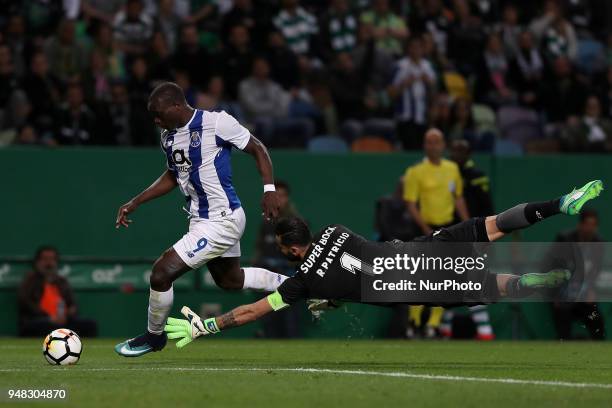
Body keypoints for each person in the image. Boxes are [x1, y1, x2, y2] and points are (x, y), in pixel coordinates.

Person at [164, 180, 604, 346]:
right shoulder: (335, 230)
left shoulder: (302, 283)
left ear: (290, 249)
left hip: (417, 289)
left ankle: (539, 281)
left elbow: (253, 310)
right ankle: (560, 202)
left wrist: (209, 326)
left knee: (500, 286)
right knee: (490, 225)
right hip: (420, 251)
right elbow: (344, 269)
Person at [114, 82, 290, 357]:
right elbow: (174, 175)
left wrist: (269, 190)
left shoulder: (216, 122)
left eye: (159, 114)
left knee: (161, 273)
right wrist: (136, 201)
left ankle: (154, 336)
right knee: (230, 280)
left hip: (221, 220)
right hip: (201, 220)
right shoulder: (168, 137)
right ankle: (295, 285)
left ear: (176, 105)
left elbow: (257, 148)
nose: (156, 121)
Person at [403, 128, 470, 337]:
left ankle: (433, 324)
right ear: (424, 146)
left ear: (443, 145)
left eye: (437, 142)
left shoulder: (452, 169)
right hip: (425, 228)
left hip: (447, 227)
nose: (433, 146)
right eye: (429, 142)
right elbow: (411, 203)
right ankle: (414, 321)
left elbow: (458, 198)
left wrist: (468, 224)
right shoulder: (415, 172)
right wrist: (425, 228)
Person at [549, 209, 606, 340]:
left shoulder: (599, 244)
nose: (590, 228)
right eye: (587, 224)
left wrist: (591, 289)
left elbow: (596, 271)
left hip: (585, 297)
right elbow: (554, 267)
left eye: (593, 225)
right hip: (564, 295)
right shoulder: (564, 240)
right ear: (580, 225)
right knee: (563, 323)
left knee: (597, 322)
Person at [18, 246, 98, 337]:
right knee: (40, 325)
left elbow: (73, 304)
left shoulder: (62, 282)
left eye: (52, 259)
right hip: (40, 320)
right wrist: (49, 318)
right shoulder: (30, 281)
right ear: (37, 262)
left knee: (90, 324)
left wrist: (68, 313)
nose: (49, 263)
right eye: (45, 259)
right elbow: (26, 303)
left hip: (63, 321)